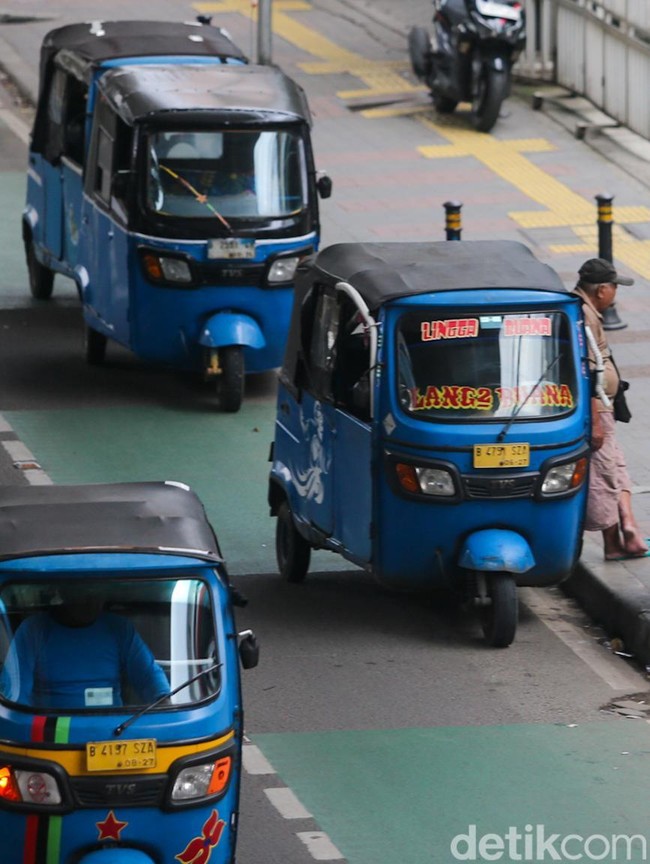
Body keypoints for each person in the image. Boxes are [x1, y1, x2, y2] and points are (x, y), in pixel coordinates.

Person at [574, 258, 648, 560]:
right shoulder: (583, 315)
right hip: (597, 409)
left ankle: (624, 533)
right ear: (602, 290)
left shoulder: (587, 312)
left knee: (614, 466)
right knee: (605, 470)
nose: (615, 294)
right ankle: (619, 538)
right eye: (614, 287)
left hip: (603, 406)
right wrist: (595, 419)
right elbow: (587, 371)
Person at [0, 584, 170, 709]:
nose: (91, 602)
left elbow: (148, 674)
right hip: (50, 730)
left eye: (97, 594)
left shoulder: (119, 628)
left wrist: (164, 701)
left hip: (114, 729)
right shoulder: (34, 630)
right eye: (82, 593)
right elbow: (15, 692)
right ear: (63, 592)